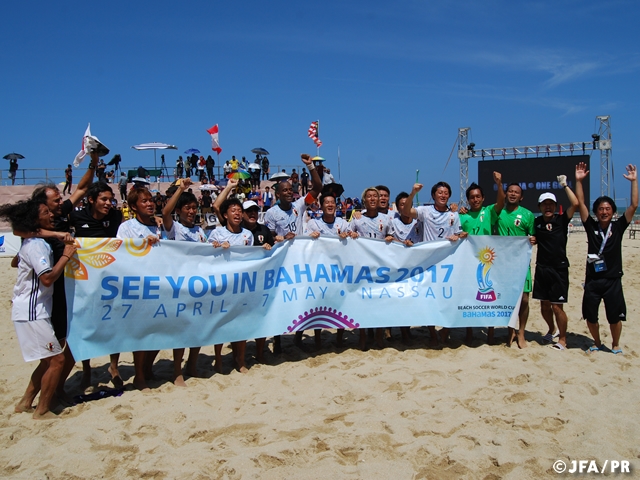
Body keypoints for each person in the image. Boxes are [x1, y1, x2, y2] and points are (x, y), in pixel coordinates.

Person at [0, 200, 77, 419]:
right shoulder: (35, 245)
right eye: (46, 212)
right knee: (57, 360)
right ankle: (42, 411)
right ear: (35, 220)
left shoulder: (35, 240)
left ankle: (26, 403)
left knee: (48, 360)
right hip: (32, 311)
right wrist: (66, 255)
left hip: (35, 309)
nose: (51, 215)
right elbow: (47, 278)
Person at [575, 162, 638, 354]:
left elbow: (634, 205)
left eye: (608, 208)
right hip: (593, 280)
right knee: (590, 315)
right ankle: (597, 341)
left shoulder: (618, 227)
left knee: (615, 316)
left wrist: (634, 181)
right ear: (596, 212)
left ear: (613, 211)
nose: (604, 211)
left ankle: (615, 344)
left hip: (612, 279)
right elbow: (580, 204)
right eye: (601, 209)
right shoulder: (590, 226)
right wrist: (578, 181)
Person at [264, 154, 323, 351]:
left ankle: (298, 336)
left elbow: (318, 188)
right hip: (281, 260)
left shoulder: (300, 205)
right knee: (280, 299)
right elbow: (270, 237)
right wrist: (280, 238)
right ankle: (279, 340)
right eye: (285, 190)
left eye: (291, 189)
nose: (290, 192)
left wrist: (311, 167)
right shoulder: (271, 213)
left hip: (300, 258)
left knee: (301, 298)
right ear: (278, 194)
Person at [400, 181, 467, 345]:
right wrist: (413, 193)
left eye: (446, 193)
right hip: (428, 264)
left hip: (447, 263)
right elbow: (405, 210)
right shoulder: (425, 211)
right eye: (440, 193)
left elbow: (460, 233)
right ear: (433, 195)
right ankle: (432, 332)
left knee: (448, 299)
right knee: (429, 301)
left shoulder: (453, 215)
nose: (443, 195)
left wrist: (458, 236)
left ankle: (445, 330)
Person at [70, 182, 123, 388]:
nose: (108, 203)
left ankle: (114, 366)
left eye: (111, 200)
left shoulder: (116, 217)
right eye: (104, 199)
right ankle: (86, 369)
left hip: (110, 278)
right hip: (84, 281)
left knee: (114, 323)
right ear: (91, 200)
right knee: (86, 324)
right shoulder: (76, 217)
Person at [209, 197, 267, 373]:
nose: (237, 213)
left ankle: (240, 360)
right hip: (222, 285)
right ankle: (218, 359)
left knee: (241, 323)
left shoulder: (247, 235)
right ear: (225, 215)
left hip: (242, 285)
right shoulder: (217, 233)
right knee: (221, 323)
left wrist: (265, 247)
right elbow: (206, 254)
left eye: (239, 210)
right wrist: (217, 247)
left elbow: (252, 257)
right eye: (233, 210)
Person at [161, 177, 206, 385]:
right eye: (187, 208)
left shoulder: (200, 232)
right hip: (179, 285)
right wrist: (180, 189)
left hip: (198, 285)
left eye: (194, 208)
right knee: (181, 329)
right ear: (180, 210)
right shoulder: (174, 228)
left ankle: (193, 364)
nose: (191, 211)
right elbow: (165, 213)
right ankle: (177, 370)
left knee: (198, 327)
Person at [116, 187, 163, 390]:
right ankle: (139, 375)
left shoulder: (159, 226)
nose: (150, 203)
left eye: (151, 200)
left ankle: (147, 368)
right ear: (134, 206)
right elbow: (121, 252)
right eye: (144, 201)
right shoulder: (127, 228)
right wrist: (142, 244)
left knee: (160, 332)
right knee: (141, 334)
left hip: (160, 284)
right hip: (138, 286)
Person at [532, 177, 579, 351]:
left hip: (559, 269)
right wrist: (532, 239)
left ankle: (563, 339)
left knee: (557, 307)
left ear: (555, 205)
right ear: (539, 207)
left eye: (551, 203)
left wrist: (565, 185)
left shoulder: (561, 220)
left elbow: (575, 203)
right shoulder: (536, 223)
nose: (548, 207)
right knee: (544, 306)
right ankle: (551, 329)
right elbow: (528, 237)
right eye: (544, 204)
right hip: (542, 268)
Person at [458, 172, 505, 344]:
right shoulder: (462, 216)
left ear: (483, 198)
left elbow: (501, 202)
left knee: (491, 298)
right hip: (469, 263)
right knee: (470, 297)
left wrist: (499, 184)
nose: (475, 200)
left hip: (489, 262)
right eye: (472, 197)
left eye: (478, 197)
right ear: (468, 200)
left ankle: (491, 333)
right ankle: (469, 331)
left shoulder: (489, 211)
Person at [306, 194, 355, 347]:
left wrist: (350, 235)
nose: (329, 205)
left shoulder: (343, 223)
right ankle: (318, 338)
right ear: (321, 206)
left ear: (336, 205)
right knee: (319, 303)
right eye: (326, 202)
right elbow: (305, 242)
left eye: (332, 202)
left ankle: (339, 337)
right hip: (320, 269)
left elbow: (353, 239)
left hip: (339, 269)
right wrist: (310, 236)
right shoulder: (313, 223)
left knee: (342, 302)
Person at [350, 187, 396, 349]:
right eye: (369, 197)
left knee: (380, 301)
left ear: (378, 200)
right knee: (362, 302)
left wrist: (391, 238)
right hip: (362, 268)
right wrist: (352, 235)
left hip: (380, 268)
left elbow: (393, 238)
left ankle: (379, 334)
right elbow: (346, 239)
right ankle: (362, 335)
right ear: (365, 200)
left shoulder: (387, 219)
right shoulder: (357, 219)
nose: (372, 199)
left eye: (375, 197)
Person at [497, 183, 536, 348]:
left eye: (516, 192)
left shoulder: (527, 215)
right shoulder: (497, 213)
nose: (513, 194)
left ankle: (521, 331)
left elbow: (533, 236)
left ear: (521, 197)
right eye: (510, 191)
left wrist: (534, 239)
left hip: (521, 263)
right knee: (507, 298)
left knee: (525, 299)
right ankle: (510, 330)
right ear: (506, 194)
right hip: (502, 263)